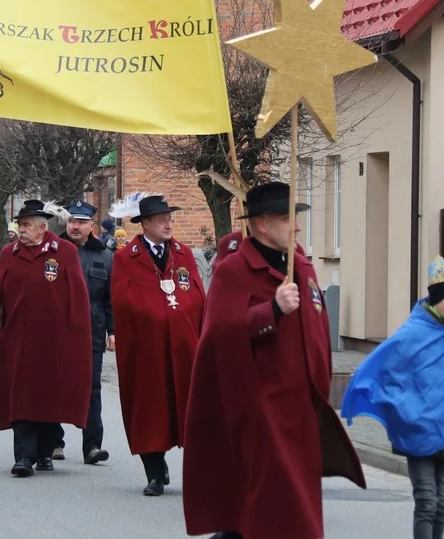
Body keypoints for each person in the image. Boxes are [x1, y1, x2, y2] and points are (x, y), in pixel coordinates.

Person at [183, 182, 365, 539]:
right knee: (276, 507)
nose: (296, 226)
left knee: (283, 506)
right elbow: (218, 335)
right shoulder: (234, 271)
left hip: (302, 408)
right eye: (286, 218)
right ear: (261, 225)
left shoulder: (302, 267)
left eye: (295, 217)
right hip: (261, 407)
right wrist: (272, 310)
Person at [342, 254, 444, 539]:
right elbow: (389, 376)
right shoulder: (411, 337)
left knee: (442, 503)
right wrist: (406, 414)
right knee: (427, 501)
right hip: (418, 433)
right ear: (437, 297)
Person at [0, 200, 91, 478]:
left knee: (48, 395)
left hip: (53, 339)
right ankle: (23, 456)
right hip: (17, 338)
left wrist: (76, 334)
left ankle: (45, 451)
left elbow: (78, 297)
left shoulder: (65, 252)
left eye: (26, 226)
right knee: (20, 395)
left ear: (43, 228)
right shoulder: (9, 254)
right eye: (19, 225)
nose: (20, 231)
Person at [110, 194, 204, 496]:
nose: (168, 223)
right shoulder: (127, 258)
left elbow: (197, 295)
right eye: (162, 218)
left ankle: (198, 471)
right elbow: (123, 302)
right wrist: (152, 317)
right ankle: (154, 470)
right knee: (150, 409)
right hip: (146, 348)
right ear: (146, 223)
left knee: (191, 409)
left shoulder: (184, 254)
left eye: (170, 218)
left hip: (184, 346)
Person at [54, 200, 115, 465]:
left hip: (92, 327)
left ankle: (92, 446)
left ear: (92, 226)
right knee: (55, 383)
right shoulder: (54, 249)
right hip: (58, 328)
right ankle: (54, 441)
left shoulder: (105, 256)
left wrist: (113, 331)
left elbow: (111, 299)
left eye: (81, 222)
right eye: (72, 222)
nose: (75, 227)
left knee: (91, 388)